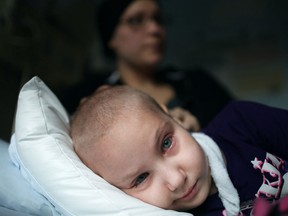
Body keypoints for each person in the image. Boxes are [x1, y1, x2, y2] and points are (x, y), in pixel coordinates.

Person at [70, 85, 288, 216]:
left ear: (174, 118)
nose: (176, 180)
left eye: (166, 144)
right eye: (141, 178)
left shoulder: (240, 123)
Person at [62, 0, 234, 131]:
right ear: (111, 37)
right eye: (136, 20)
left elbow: (240, 131)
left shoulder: (199, 83)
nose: (154, 29)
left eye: (158, 19)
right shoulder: (89, 99)